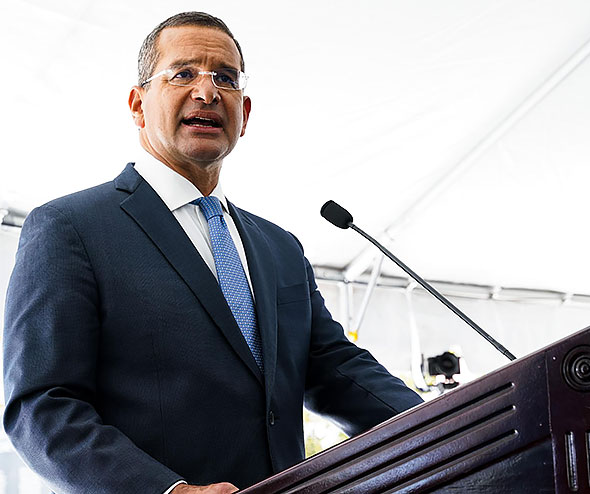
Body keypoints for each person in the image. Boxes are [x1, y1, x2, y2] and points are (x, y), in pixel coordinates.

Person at [3, 12, 422, 494]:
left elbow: (337, 370)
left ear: (245, 114)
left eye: (225, 78)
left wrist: (456, 419)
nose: (208, 92)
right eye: (183, 74)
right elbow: (41, 407)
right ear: (138, 105)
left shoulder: (279, 247)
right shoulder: (70, 228)